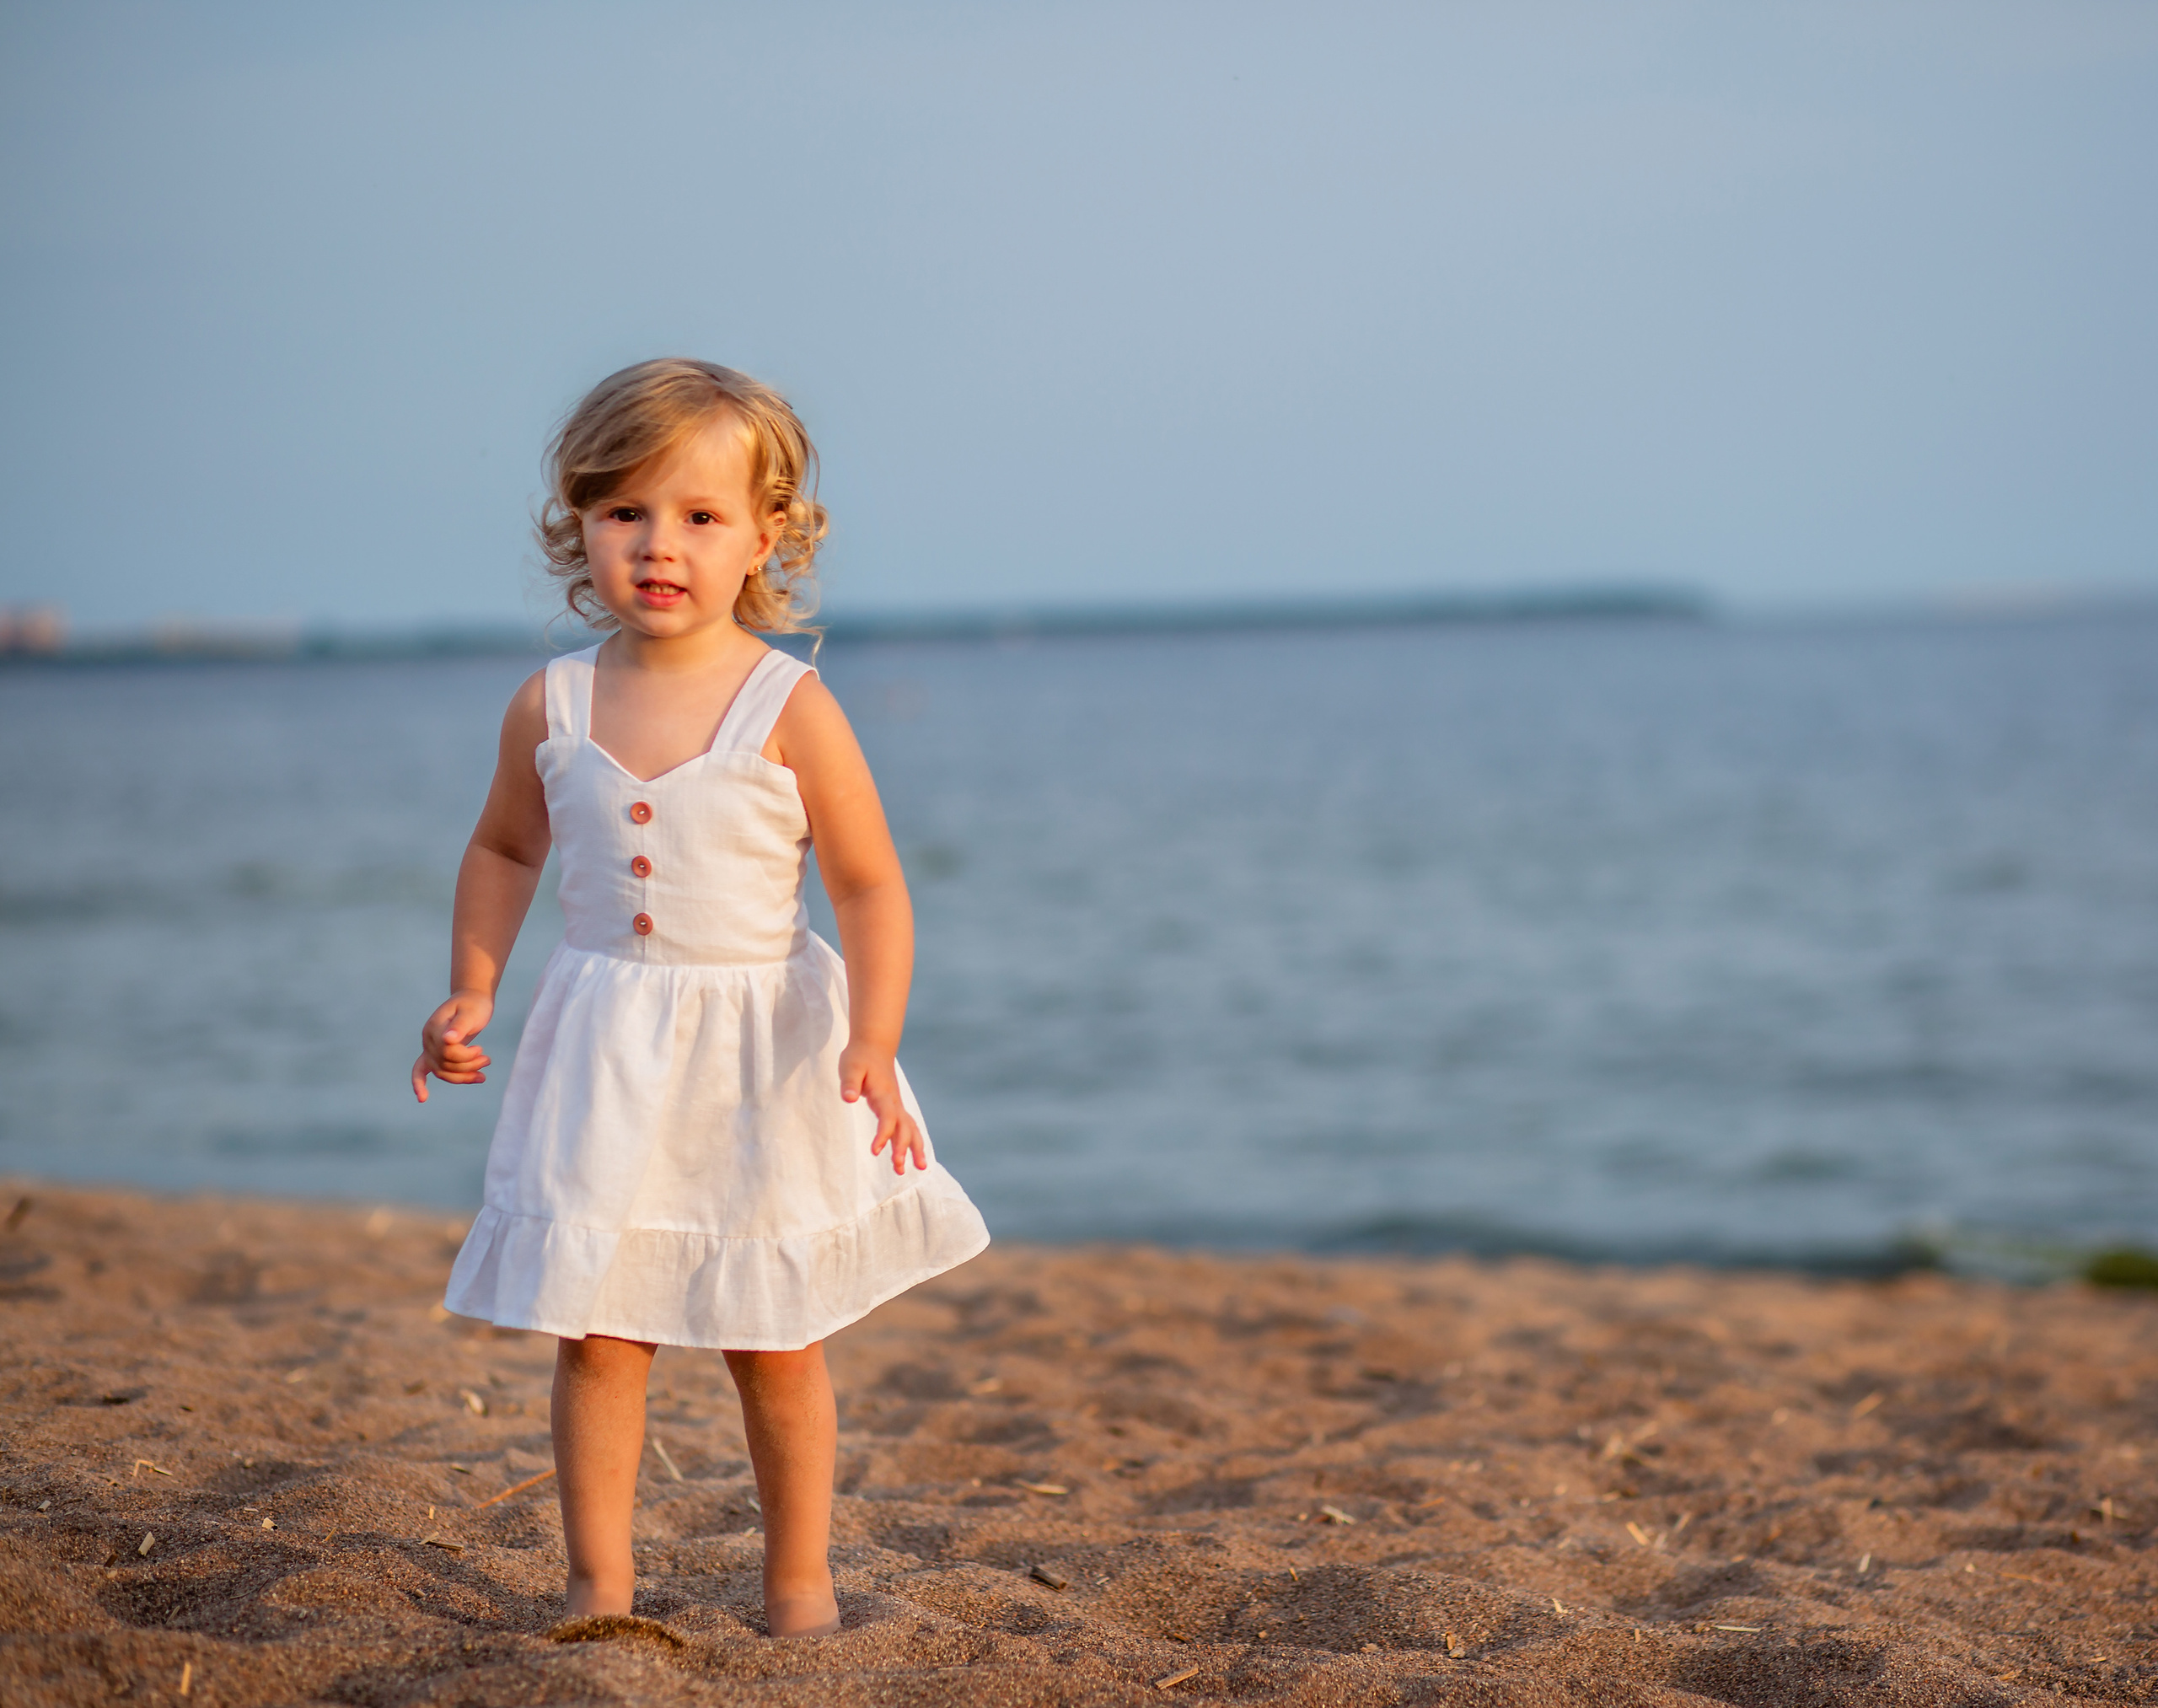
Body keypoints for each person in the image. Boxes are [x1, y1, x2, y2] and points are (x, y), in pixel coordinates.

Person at [411, 358, 989, 1638]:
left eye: (699, 516)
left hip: (758, 1049)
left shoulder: (790, 703)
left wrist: (877, 1040)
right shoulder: (551, 703)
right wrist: (470, 989)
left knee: (771, 1334)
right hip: (606, 1047)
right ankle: (597, 1583)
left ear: (763, 540)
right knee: (599, 1329)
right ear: (580, 527)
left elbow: (871, 884)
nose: (659, 544)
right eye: (625, 513)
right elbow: (506, 849)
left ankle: (798, 1579)